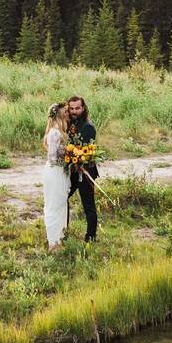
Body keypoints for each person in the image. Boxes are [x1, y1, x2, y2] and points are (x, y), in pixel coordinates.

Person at [67, 96, 98, 242]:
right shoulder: (69, 123)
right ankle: (63, 230)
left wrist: (78, 160)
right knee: (62, 199)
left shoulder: (88, 127)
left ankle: (91, 237)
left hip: (85, 172)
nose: (74, 111)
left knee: (88, 205)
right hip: (72, 171)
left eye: (77, 108)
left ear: (83, 108)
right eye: (71, 108)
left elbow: (86, 152)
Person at [43, 102, 71, 250]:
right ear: (60, 114)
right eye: (65, 112)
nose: (68, 114)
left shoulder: (59, 131)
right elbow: (53, 156)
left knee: (60, 205)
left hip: (60, 170)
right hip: (55, 170)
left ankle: (58, 239)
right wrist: (69, 154)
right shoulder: (55, 132)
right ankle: (52, 243)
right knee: (54, 206)